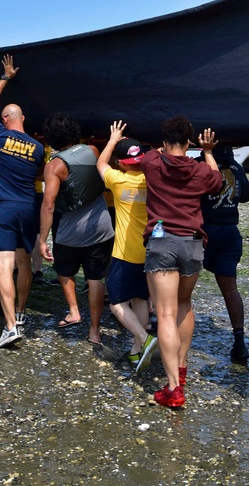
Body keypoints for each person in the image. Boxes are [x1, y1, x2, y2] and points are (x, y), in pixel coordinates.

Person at [140, 116, 222, 409]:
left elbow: (145, 155)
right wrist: (208, 152)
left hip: (162, 242)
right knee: (184, 304)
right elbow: (217, 182)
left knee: (164, 313)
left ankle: (173, 388)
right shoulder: (200, 169)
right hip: (192, 243)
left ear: (164, 142)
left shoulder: (152, 163)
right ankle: (182, 368)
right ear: (190, 142)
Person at [0, 54, 45, 348]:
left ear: (5, 120)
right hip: (28, 207)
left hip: (4, 208)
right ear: (24, 120)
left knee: (5, 266)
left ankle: (10, 328)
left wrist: (6, 77)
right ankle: (20, 313)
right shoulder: (37, 147)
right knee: (25, 263)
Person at [38, 112, 114, 346]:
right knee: (95, 278)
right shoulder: (92, 150)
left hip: (72, 231)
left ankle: (74, 310)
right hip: (102, 226)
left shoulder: (55, 166)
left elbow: (48, 205)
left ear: (50, 139)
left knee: (63, 271)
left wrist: (42, 239)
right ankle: (94, 330)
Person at [96, 121, 159, 372]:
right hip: (151, 252)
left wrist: (113, 139)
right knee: (140, 299)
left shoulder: (118, 180)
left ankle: (145, 339)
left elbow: (100, 164)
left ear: (121, 163)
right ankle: (137, 350)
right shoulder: (152, 180)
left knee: (116, 303)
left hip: (124, 252)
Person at [198, 143, 249, 363]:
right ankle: (239, 340)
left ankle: (169, 331)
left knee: (184, 289)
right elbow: (247, 195)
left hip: (203, 232)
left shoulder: (199, 166)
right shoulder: (236, 167)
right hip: (230, 232)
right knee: (230, 290)